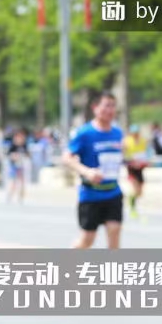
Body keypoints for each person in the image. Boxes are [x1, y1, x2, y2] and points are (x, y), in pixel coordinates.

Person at [62, 91, 124, 249]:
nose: (110, 110)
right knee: (87, 239)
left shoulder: (117, 133)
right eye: (106, 106)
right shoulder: (85, 133)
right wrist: (86, 172)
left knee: (114, 230)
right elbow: (67, 157)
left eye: (113, 106)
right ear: (95, 108)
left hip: (113, 191)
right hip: (91, 194)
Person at [122, 124, 149, 219]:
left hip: (140, 169)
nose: (135, 134)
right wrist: (131, 162)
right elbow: (123, 156)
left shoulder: (143, 141)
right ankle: (132, 208)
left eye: (137, 133)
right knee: (135, 189)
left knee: (140, 192)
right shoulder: (126, 141)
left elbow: (146, 154)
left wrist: (145, 162)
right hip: (131, 168)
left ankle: (130, 198)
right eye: (134, 133)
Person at [6, 129, 29, 204]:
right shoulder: (13, 146)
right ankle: (10, 195)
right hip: (14, 165)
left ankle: (20, 197)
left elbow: (27, 154)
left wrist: (24, 156)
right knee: (13, 182)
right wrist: (14, 156)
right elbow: (8, 155)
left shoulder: (24, 145)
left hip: (21, 166)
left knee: (21, 182)